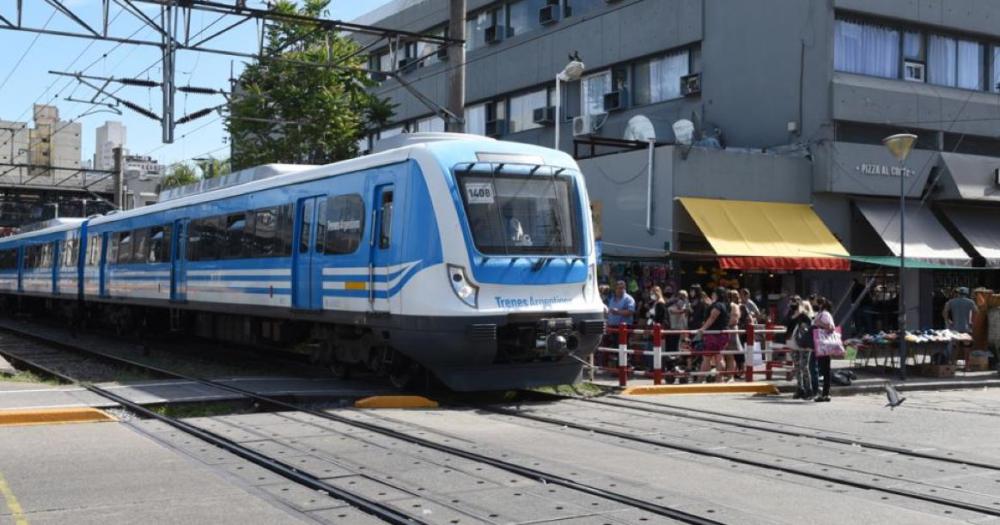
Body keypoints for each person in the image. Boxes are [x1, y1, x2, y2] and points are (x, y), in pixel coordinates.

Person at [696, 287, 731, 383]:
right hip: (722, 334)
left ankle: (700, 380)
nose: (712, 295)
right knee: (719, 357)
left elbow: (712, 317)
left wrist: (703, 328)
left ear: (717, 294)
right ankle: (719, 380)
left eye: (713, 293)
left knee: (707, 358)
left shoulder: (717, 306)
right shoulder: (724, 305)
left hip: (713, 335)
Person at [784, 296, 815, 400]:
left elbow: (810, 323)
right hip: (794, 342)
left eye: (795, 303)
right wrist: (793, 315)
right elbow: (785, 323)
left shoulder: (806, 314)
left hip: (805, 343)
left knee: (804, 366)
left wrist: (801, 313)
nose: (793, 305)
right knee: (797, 366)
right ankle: (799, 389)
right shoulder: (791, 313)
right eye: (791, 303)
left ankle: (809, 390)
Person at [943, 287, 976, 362]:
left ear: (958, 293)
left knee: (955, 346)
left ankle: (953, 364)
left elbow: (944, 312)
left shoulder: (951, 302)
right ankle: (967, 367)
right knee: (966, 348)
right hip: (966, 328)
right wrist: (972, 322)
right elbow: (976, 312)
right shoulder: (970, 302)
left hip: (955, 328)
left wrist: (948, 321)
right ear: (966, 294)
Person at [812, 296, 836, 402]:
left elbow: (831, 328)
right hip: (820, 345)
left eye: (816, 303)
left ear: (820, 304)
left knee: (825, 370)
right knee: (822, 369)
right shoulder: (820, 314)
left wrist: (818, 323)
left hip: (824, 345)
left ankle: (825, 393)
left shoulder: (825, 314)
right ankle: (823, 393)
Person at [723, 289, 743, 382]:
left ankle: (730, 376)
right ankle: (727, 374)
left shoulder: (734, 306)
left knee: (730, 354)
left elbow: (734, 319)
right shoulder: (724, 306)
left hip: (731, 330)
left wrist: (724, 324)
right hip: (724, 330)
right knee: (725, 355)